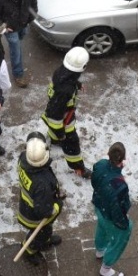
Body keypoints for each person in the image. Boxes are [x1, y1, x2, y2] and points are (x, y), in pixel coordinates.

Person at [41, 47, 93, 179]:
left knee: (57, 131)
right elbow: (54, 114)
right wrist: (61, 134)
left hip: (61, 113)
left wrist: (77, 84)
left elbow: (68, 77)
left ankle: (54, 139)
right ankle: (78, 167)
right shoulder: (66, 91)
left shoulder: (61, 71)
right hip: (63, 119)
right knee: (72, 144)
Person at [16, 132, 64, 266]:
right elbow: (44, 211)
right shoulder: (41, 184)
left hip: (27, 206)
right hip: (34, 217)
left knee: (45, 231)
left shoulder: (23, 159)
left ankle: (45, 240)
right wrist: (57, 206)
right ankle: (30, 250)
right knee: (41, 233)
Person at [0, 0, 38, 88]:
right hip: (10, 29)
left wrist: (30, 19)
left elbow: (34, 3)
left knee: (20, 39)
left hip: (24, 24)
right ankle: (18, 74)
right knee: (16, 49)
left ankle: (14, 48)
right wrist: (4, 29)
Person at [92, 143, 132, 276]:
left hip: (99, 205)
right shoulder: (120, 185)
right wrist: (124, 225)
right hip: (110, 214)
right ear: (122, 161)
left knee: (102, 227)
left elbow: (94, 181)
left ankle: (100, 250)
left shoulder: (100, 164)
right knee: (119, 238)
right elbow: (119, 210)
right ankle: (106, 268)